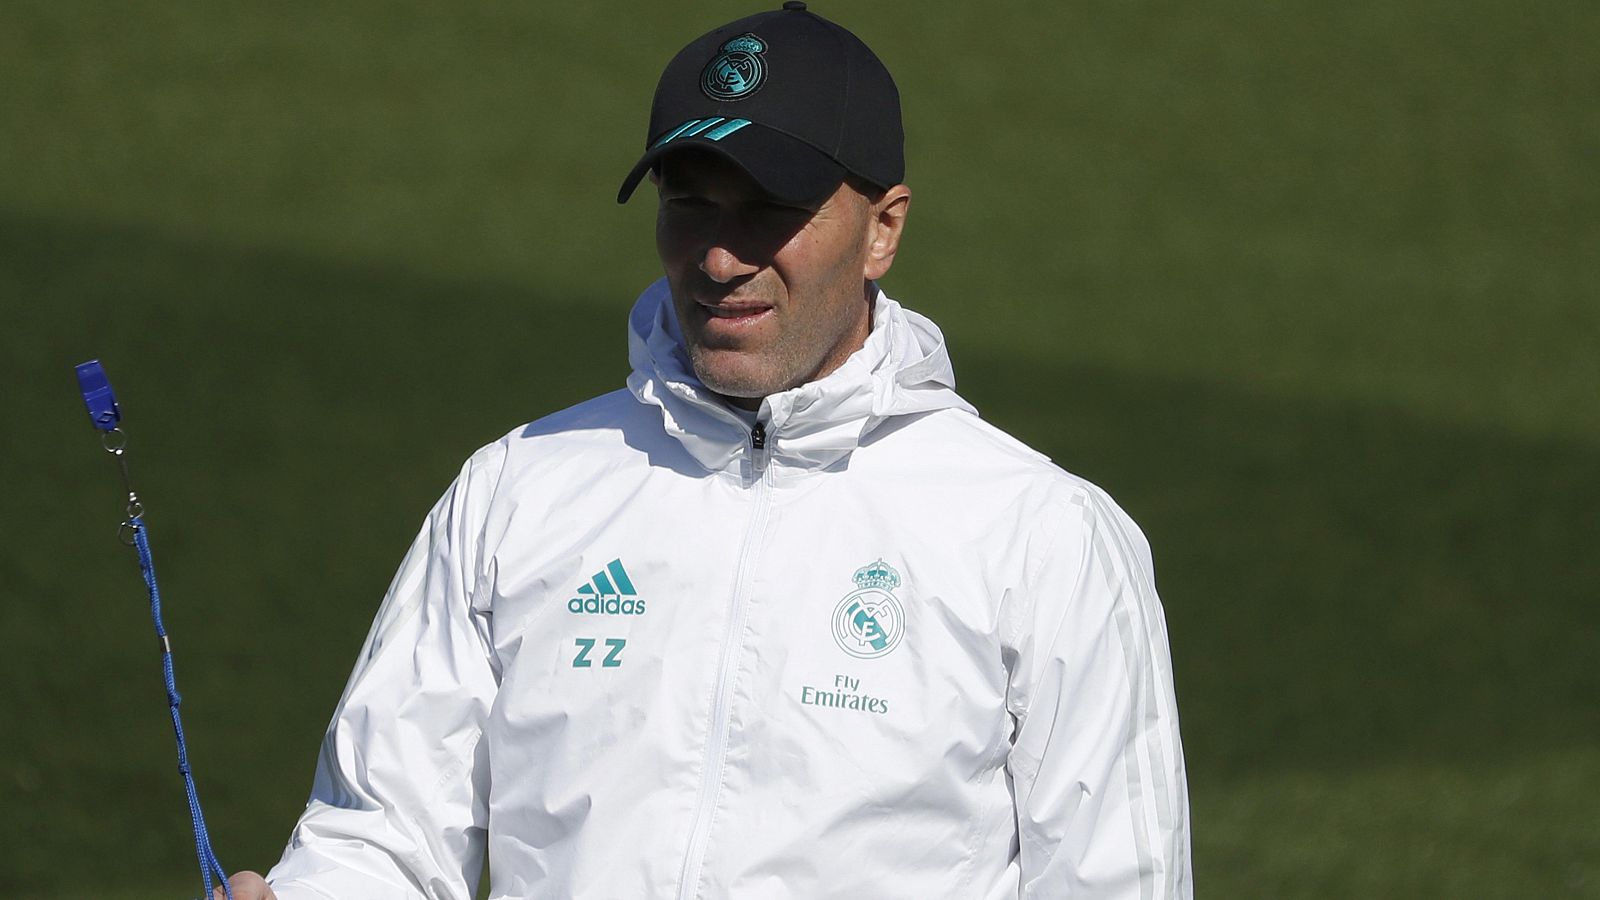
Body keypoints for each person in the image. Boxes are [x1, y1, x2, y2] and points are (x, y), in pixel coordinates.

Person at [219, 4, 1191, 898]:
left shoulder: (1041, 536)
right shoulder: (517, 490)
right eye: (691, 203)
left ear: (883, 229)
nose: (720, 258)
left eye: (768, 207)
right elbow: (383, 833)